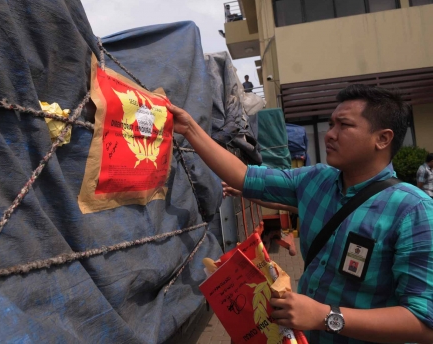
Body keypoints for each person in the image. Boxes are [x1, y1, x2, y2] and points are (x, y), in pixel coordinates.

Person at [166, 84, 433, 343]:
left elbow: (424, 323)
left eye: (345, 125)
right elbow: (243, 175)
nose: (330, 134)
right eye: (331, 125)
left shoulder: (413, 211)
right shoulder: (316, 180)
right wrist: (189, 128)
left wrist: (325, 317)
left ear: (383, 138)